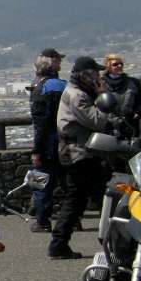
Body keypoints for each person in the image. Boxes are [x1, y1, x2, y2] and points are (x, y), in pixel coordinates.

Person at [50, 56, 113, 259]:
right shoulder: (77, 95)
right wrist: (103, 95)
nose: (98, 76)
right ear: (85, 74)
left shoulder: (78, 92)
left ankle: (59, 244)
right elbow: (96, 121)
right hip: (79, 153)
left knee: (78, 199)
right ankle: (114, 243)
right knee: (99, 196)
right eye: (95, 72)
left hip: (79, 152)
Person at [28, 48, 67, 233]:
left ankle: (42, 221)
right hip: (67, 141)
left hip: (49, 144)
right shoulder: (63, 85)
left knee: (42, 182)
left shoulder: (40, 88)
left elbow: (41, 124)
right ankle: (71, 220)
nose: (60, 63)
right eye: (58, 60)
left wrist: (37, 150)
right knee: (68, 182)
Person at [102, 54, 141, 132]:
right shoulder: (100, 83)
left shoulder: (133, 82)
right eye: (115, 64)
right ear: (108, 67)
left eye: (121, 64)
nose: (119, 66)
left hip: (130, 125)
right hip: (108, 127)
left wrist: (138, 111)